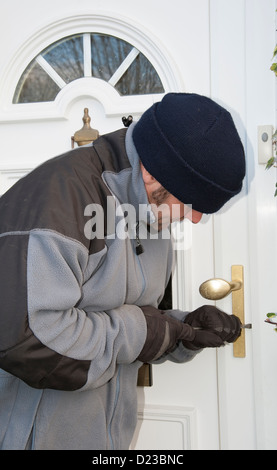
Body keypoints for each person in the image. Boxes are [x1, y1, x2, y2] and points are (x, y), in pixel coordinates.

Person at [0, 93, 245, 450]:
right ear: (151, 173)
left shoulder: (153, 216)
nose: (196, 217)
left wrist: (181, 330)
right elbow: (27, 340)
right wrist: (143, 332)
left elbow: (126, 318)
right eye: (192, 198)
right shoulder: (61, 197)